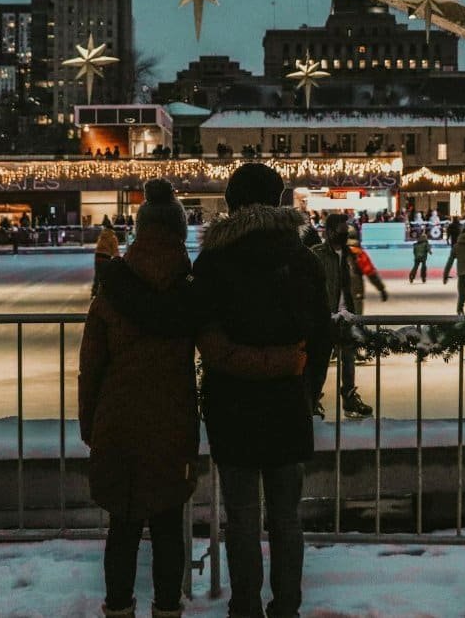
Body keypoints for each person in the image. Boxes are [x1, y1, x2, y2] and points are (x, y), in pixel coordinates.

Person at [81, 179, 305, 618]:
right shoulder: (190, 292)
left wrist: (91, 425)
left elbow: (92, 367)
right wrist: (286, 361)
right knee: (167, 524)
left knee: (123, 526)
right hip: (171, 422)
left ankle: (119, 608)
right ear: (181, 233)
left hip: (118, 421)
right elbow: (221, 352)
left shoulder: (111, 291)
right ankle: (168, 608)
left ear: (140, 231)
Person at [191, 163, 333, 618]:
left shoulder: (213, 260)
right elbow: (322, 334)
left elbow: (200, 326)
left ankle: (245, 605)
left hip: (232, 402)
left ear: (232, 203)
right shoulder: (302, 259)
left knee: (244, 518)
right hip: (288, 401)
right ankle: (287, 605)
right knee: (286, 517)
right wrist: (307, 388)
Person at [310, 214, 375, 420]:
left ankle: (349, 398)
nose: (345, 233)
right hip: (325, 317)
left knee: (348, 360)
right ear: (329, 232)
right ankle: (312, 400)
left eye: (346, 229)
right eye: (341, 229)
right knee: (319, 362)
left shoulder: (350, 254)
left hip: (346, 316)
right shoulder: (316, 254)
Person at [346, 228, 388, 314]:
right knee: (356, 314)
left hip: (337, 287)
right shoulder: (358, 252)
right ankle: (357, 326)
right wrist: (381, 289)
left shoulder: (334, 250)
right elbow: (370, 272)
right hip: (355, 286)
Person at [92, 222, 120, 298]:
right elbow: (115, 250)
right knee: (106, 274)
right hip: (106, 257)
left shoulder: (101, 236)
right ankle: (104, 292)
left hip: (97, 256)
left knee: (97, 274)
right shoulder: (113, 237)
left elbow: (98, 245)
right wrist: (118, 259)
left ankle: (94, 291)